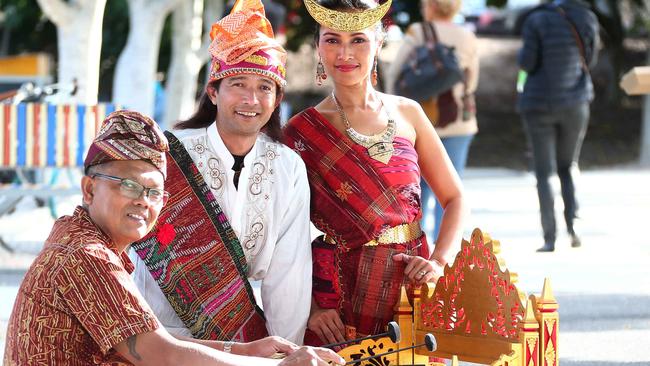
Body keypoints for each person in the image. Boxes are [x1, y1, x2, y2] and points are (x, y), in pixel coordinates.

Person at [3, 110, 343, 366]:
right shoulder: (85, 254)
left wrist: (245, 350)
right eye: (129, 186)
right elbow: (160, 353)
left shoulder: (84, 239)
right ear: (89, 189)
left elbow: (155, 340)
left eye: (154, 193)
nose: (143, 202)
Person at [284, 0, 466, 345]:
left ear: (379, 42)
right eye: (332, 40)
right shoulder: (301, 132)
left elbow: (454, 198)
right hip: (337, 298)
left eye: (358, 40)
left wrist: (439, 262)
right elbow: (283, 236)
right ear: (318, 47)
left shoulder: (408, 113)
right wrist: (309, 308)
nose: (344, 53)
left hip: (413, 285)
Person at [130, 0, 312, 345]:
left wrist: (286, 352)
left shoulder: (288, 167)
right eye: (238, 84)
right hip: (156, 334)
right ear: (213, 92)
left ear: (276, 100)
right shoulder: (169, 154)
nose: (251, 99)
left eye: (264, 87)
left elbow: (289, 273)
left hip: (235, 338)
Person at [387, 0, 479, 242]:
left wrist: (390, 106)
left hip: (420, 123)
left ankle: (419, 246)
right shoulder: (467, 35)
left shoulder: (418, 32)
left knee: (418, 186)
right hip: (458, 121)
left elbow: (396, 72)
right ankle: (444, 251)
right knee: (451, 190)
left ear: (430, 5)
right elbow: (472, 81)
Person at [517, 0, 599, 252]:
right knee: (569, 164)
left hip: (538, 103)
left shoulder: (536, 19)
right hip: (575, 101)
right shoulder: (587, 17)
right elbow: (591, 59)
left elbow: (527, 63)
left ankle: (549, 237)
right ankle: (573, 225)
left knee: (544, 172)